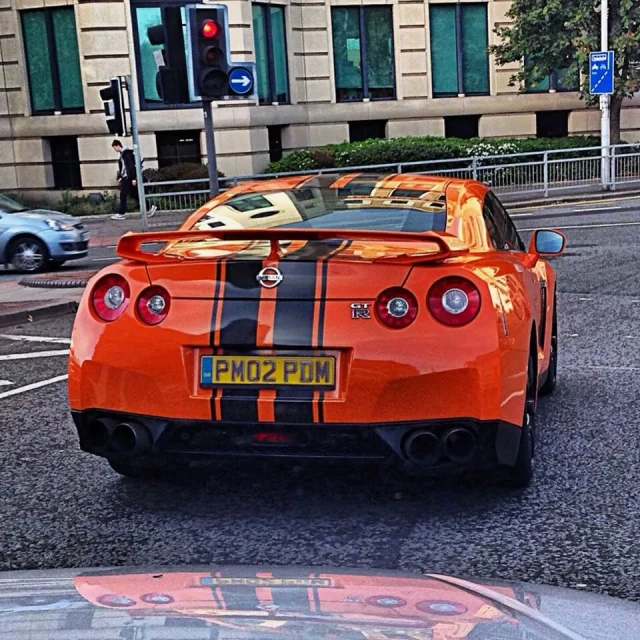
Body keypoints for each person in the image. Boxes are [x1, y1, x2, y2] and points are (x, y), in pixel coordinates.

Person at [110, 140, 156, 220]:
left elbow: (130, 167)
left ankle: (121, 213)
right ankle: (150, 207)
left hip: (128, 178)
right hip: (127, 177)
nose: (114, 150)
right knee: (135, 195)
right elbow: (125, 168)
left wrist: (133, 178)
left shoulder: (126, 154)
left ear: (118, 146)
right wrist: (121, 176)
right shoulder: (123, 154)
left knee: (123, 195)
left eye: (114, 148)